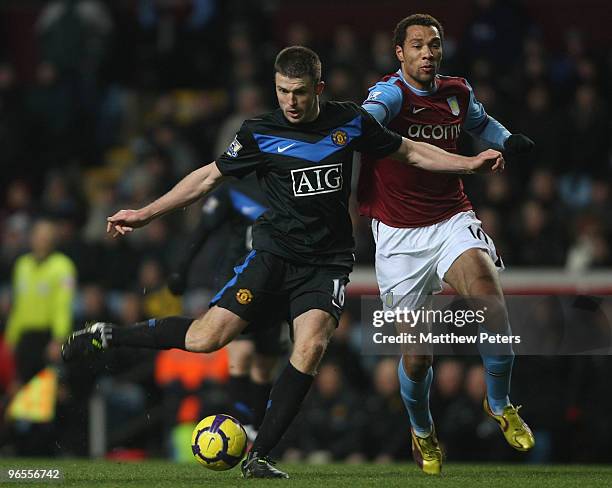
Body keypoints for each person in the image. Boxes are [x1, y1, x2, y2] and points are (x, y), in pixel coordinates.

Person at [62, 45, 504, 479]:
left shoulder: (349, 121)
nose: (290, 101)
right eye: (282, 91)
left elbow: (407, 150)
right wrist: (143, 213)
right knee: (204, 339)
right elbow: (207, 177)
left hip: (326, 263)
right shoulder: (259, 131)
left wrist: (467, 164)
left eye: (299, 92)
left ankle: (260, 456)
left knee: (310, 346)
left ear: (319, 88)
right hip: (273, 256)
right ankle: (110, 336)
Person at [358, 14, 535, 475]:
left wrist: (507, 139)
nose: (427, 53)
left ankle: (499, 404)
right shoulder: (390, 95)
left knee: (489, 298)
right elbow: (365, 121)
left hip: (450, 219)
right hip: (397, 235)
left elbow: (481, 122)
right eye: (417, 46)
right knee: (418, 358)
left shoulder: (456, 92)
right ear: (399, 53)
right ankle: (421, 429)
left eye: (434, 45)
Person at [167, 174, 285, 437]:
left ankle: (256, 427)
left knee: (264, 363)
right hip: (238, 280)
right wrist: (180, 270)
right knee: (240, 354)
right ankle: (241, 428)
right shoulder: (234, 190)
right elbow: (202, 230)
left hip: (274, 283)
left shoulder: (287, 185)